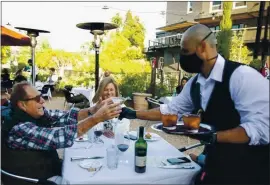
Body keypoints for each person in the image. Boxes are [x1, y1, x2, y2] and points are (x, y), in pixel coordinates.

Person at [119, 24, 269, 184]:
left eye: (184, 51)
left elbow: (262, 128)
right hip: (217, 167)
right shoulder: (195, 83)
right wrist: (133, 113)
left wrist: (214, 137)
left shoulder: (242, 77)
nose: (182, 57)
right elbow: (170, 111)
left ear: (202, 47)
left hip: (249, 172)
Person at [1, 81, 121, 185]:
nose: (43, 101)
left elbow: (66, 116)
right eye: (37, 99)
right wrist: (96, 118)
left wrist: (93, 110)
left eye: (41, 96)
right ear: (22, 105)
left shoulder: (33, 114)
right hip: (37, 180)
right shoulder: (19, 129)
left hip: (46, 171)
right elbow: (60, 137)